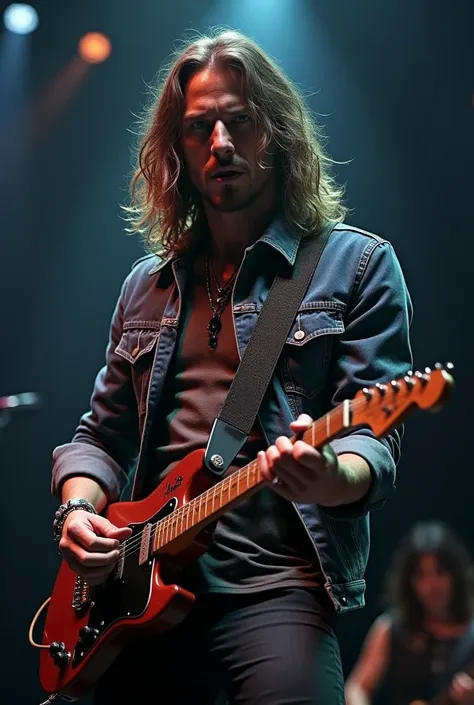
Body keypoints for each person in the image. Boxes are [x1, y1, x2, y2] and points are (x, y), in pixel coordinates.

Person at [51, 29, 413, 705]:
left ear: (274, 132)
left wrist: (330, 475)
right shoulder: (144, 287)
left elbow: (374, 434)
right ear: (177, 153)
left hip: (276, 589)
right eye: (198, 128)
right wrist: (76, 508)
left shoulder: (355, 265)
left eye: (239, 121)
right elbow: (99, 436)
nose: (220, 143)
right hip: (136, 594)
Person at [345, 521, 474, 705]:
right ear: (409, 582)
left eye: (440, 573)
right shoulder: (389, 629)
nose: (432, 585)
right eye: (422, 575)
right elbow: (356, 688)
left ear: (455, 576)